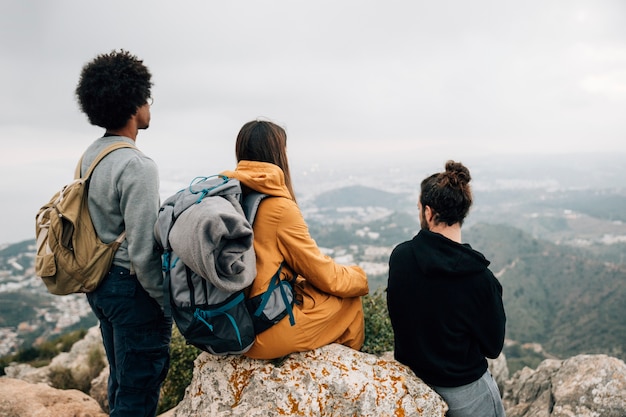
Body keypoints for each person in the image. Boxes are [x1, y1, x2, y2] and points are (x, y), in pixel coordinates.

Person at [220, 119, 369, 359]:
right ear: (278, 154)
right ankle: (346, 373)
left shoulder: (230, 194)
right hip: (263, 330)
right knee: (350, 301)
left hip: (231, 321)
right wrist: (359, 277)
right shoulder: (278, 207)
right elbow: (325, 276)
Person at [75, 50, 171, 417]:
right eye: (146, 98)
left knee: (123, 380)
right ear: (133, 104)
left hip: (99, 286)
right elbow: (144, 249)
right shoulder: (136, 165)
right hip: (132, 292)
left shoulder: (92, 155)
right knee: (139, 392)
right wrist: (167, 303)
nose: (149, 106)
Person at [386, 160, 506, 417]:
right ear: (462, 213)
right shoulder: (480, 278)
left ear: (428, 212)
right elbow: (493, 347)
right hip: (467, 394)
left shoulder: (401, 257)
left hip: (414, 386)